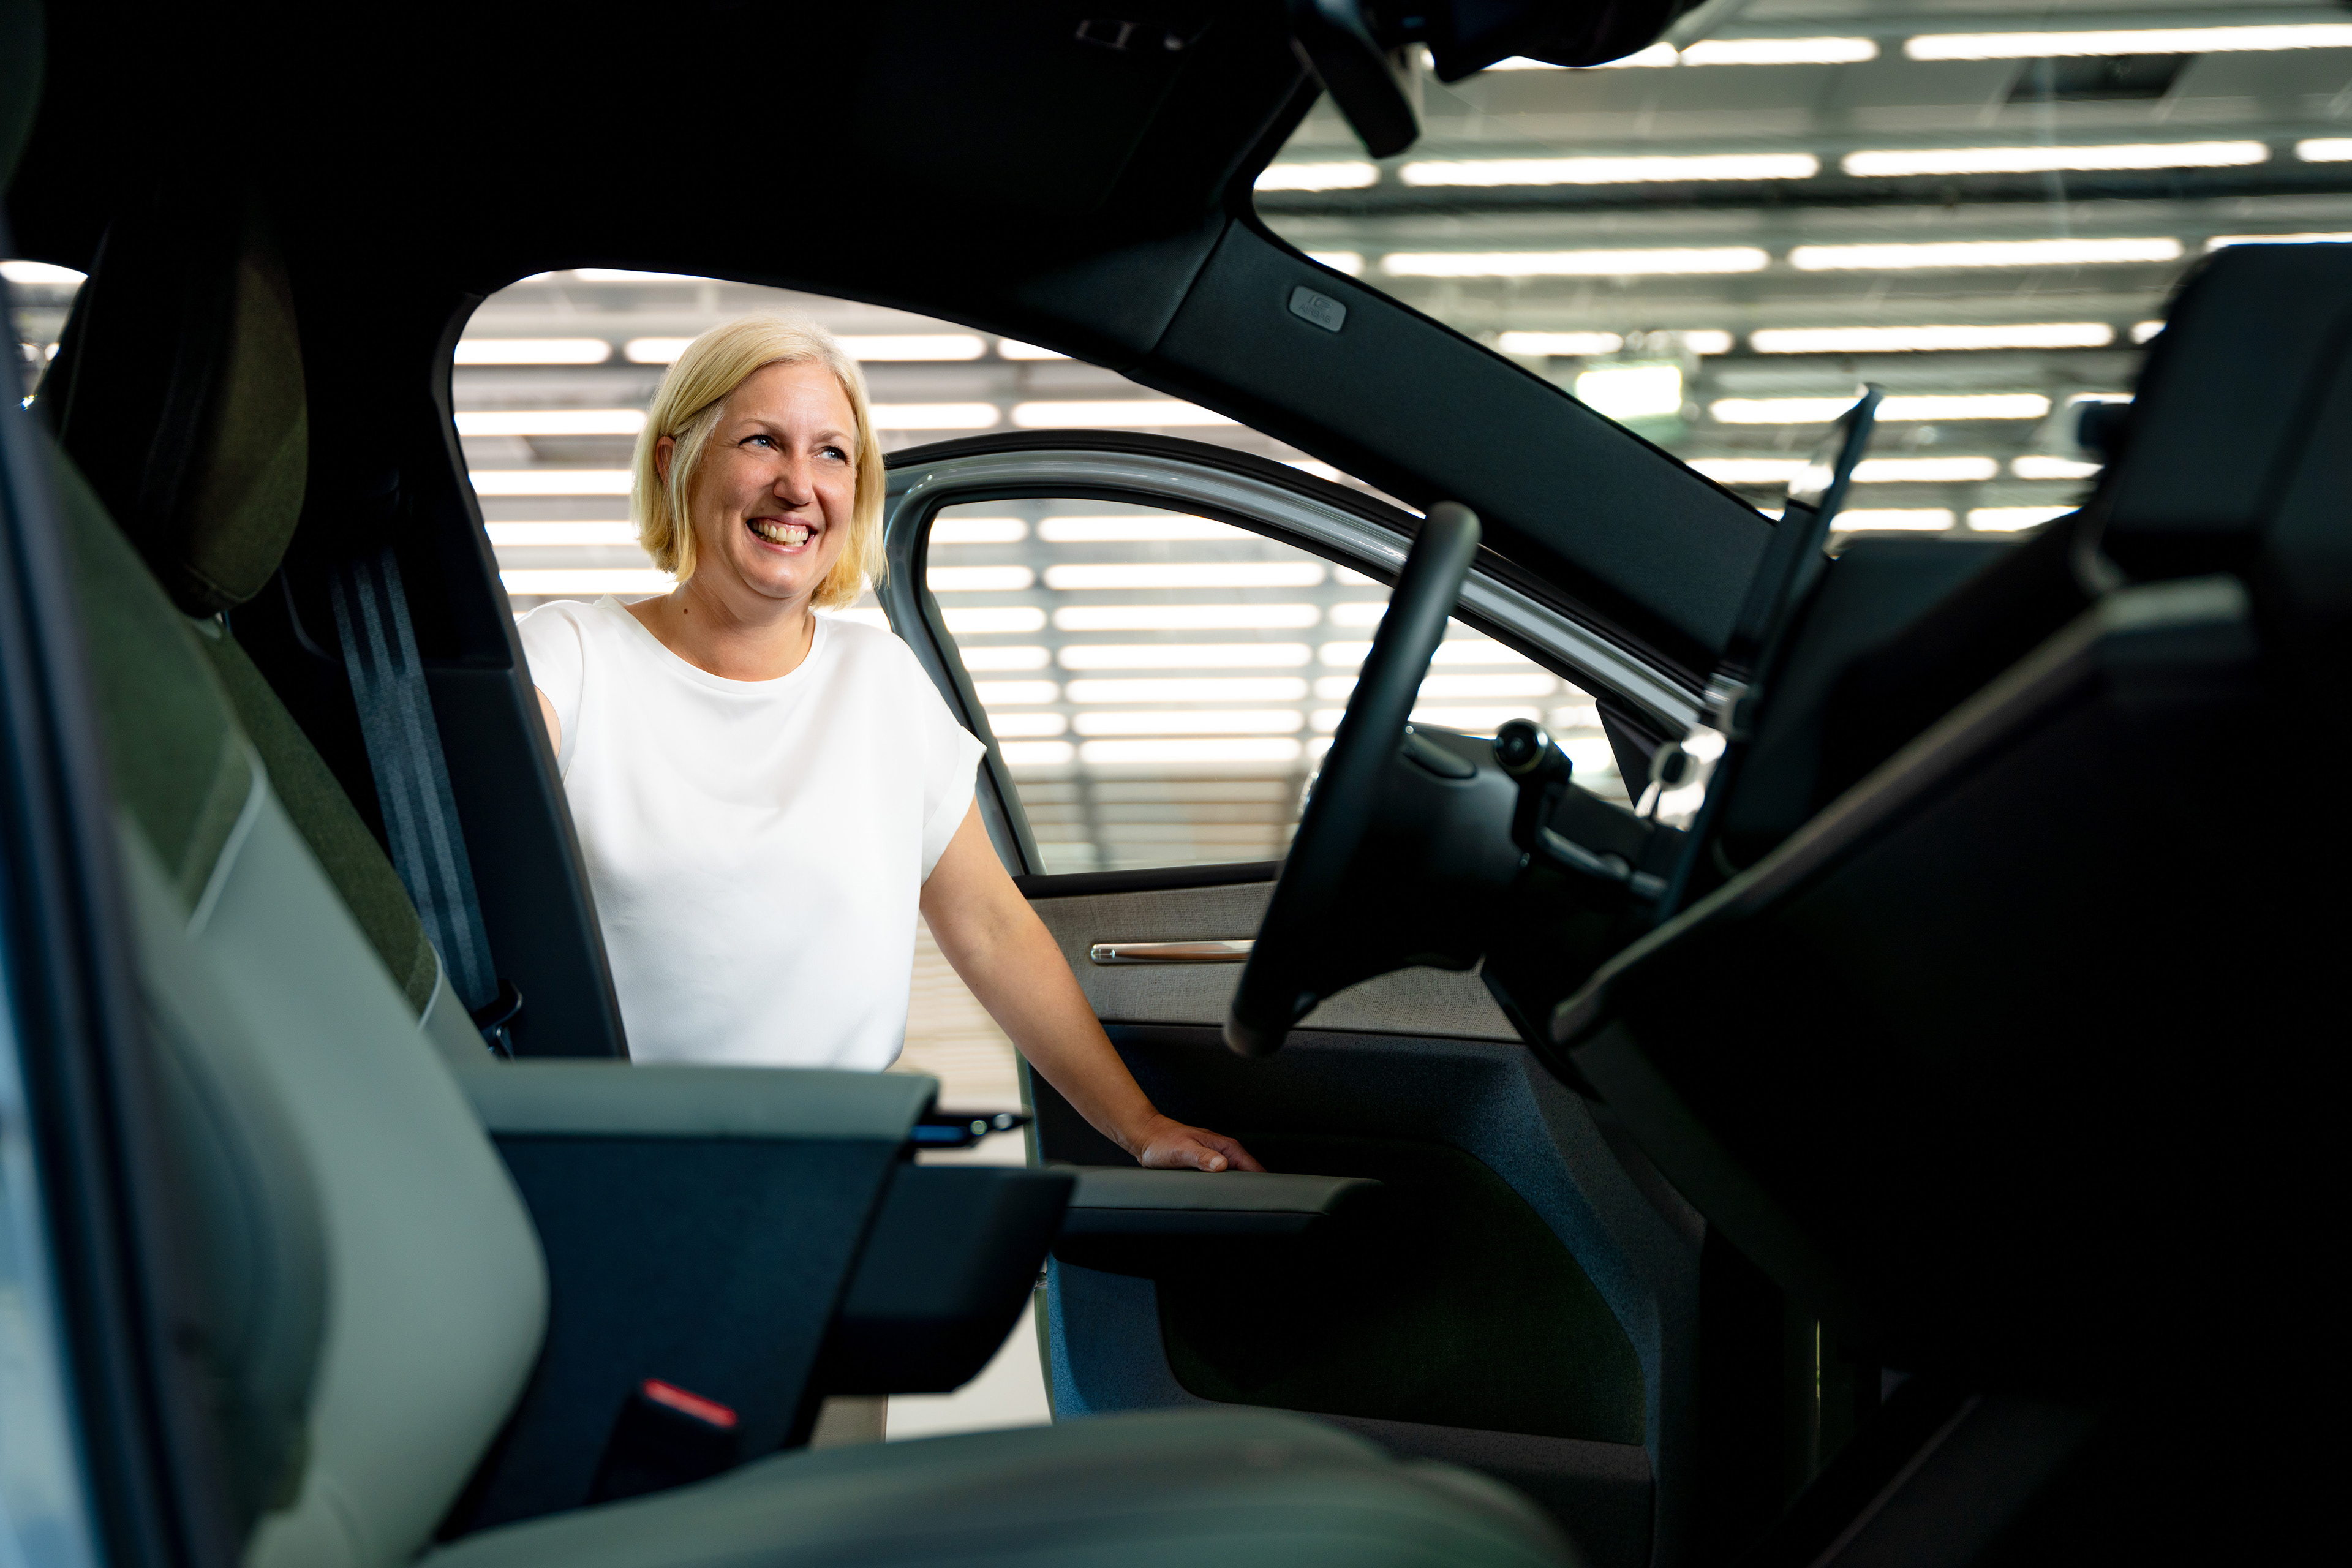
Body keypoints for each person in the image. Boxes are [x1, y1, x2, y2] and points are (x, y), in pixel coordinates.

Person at [516, 314, 1260, 1174]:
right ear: (673, 459)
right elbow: (461, 859)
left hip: (844, 1169)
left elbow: (990, 928)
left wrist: (1139, 1125)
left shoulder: (880, 681)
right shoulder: (569, 657)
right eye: (762, 442)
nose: (799, 486)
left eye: (832, 454)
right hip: (621, 1167)